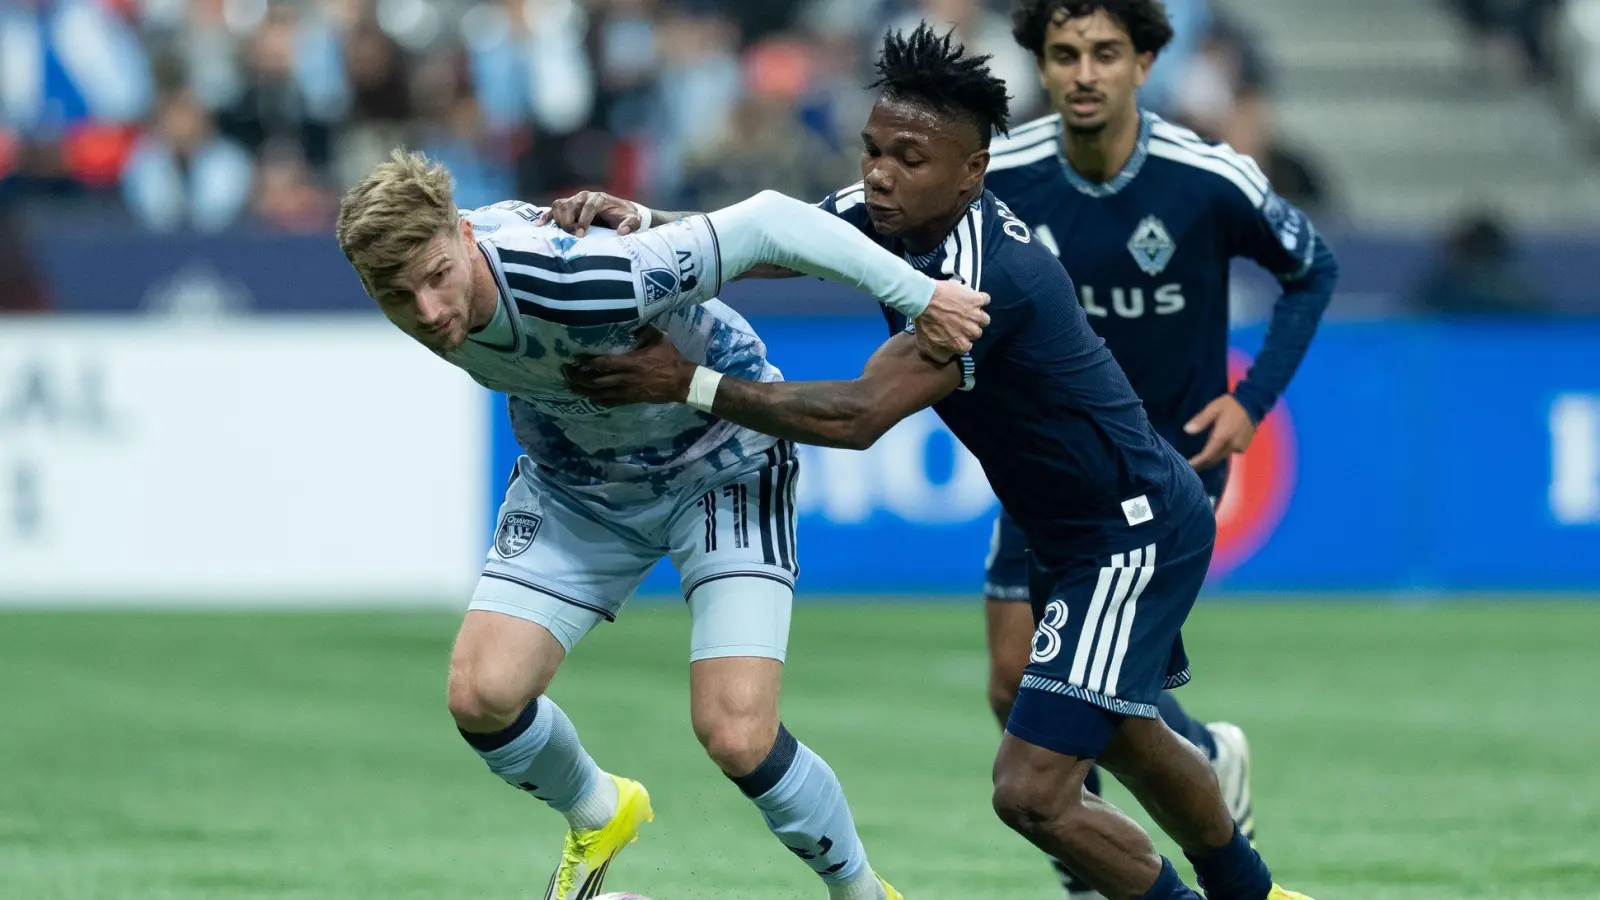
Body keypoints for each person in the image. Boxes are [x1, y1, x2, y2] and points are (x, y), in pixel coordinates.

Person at [553, 24, 1313, 900]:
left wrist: (685, 381)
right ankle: (1252, 892)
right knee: (1126, 735)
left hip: (1125, 530)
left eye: (908, 158)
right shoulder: (892, 216)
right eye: (873, 150)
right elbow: (772, 241)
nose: (879, 173)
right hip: (1071, 528)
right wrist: (646, 224)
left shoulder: (985, 284)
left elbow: (856, 415)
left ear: (971, 173)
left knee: (1030, 794)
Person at [333, 149, 988, 900]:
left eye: (437, 277)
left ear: (463, 235)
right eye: (396, 294)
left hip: (722, 463)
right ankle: (598, 811)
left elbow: (771, 221)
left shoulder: (578, 276)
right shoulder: (429, 277)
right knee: (481, 695)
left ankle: (862, 895)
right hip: (581, 484)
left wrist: (921, 295)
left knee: (737, 734)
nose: (428, 312)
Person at [983, 3, 1339, 894]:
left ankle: (1095, 861)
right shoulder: (1004, 175)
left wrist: (1251, 400)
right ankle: (1204, 758)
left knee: (1079, 682)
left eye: (1106, 53)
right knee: (1012, 682)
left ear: (1144, 62)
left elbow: (1312, 267)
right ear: (1043, 66)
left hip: (1163, 473)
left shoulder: (1205, 175)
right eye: (1064, 55)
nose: (1085, 73)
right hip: (1049, 469)